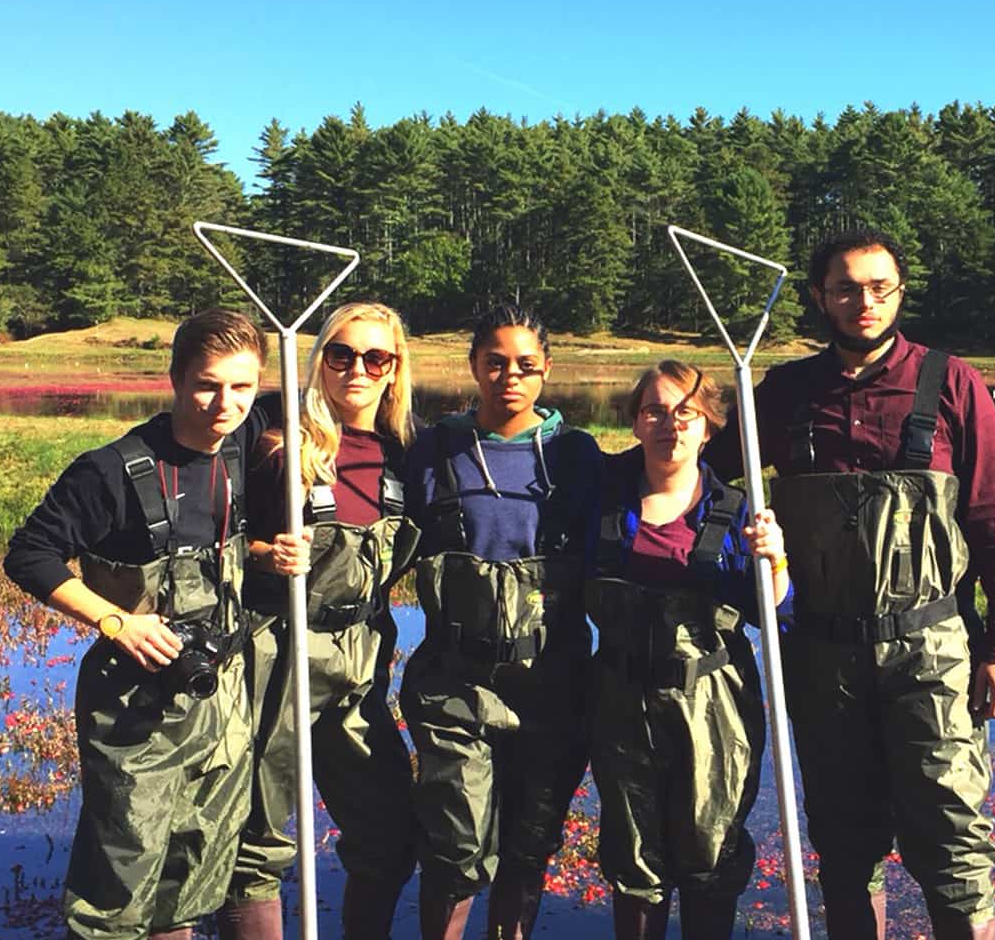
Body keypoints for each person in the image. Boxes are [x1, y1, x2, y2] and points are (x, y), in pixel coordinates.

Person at [705, 228, 995, 940]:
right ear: (821, 297)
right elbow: (702, 481)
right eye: (847, 287)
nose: (864, 301)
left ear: (899, 292)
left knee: (954, 843)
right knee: (845, 846)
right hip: (821, 658)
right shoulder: (785, 392)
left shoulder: (950, 381)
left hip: (932, 650)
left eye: (879, 286)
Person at [4, 309, 270, 940]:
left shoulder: (246, 438)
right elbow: (29, 554)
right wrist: (115, 621)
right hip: (133, 711)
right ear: (175, 378)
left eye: (241, 386)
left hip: (221, 700)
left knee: (193, 868)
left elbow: (342, 398)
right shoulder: (110, 471)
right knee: (120, 882)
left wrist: (270, 550)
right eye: (207, 384)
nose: (223, 403)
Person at [218, 303, 423, 939]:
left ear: (394, 371)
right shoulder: (273, 442)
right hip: (279, 656)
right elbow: (215, 538)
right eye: (341, 354)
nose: (357, 369)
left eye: (375, 357)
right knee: (256, 845)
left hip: (362, 667)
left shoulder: (405, 456)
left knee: (389, 835)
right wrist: (265, 552)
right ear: (319, 361)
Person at [400, 304, 604, 940]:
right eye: (495, 363)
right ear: (474, 367)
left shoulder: (577, 455)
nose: (509, 376)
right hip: (454, 679)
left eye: (525, 364)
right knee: (454, 850)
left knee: (529, 843)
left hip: (554, 679)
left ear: (546, 370)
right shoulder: (435, 449)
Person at [589, 361, 789, 940]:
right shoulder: (603, 505)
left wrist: (774, 558)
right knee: (633, 857)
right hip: (621, 704)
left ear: (708, 427)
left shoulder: (736, 513)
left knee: (711, 851)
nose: (669, 425)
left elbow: (774, 611)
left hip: (715, 709)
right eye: (654, 410)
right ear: (634, 421)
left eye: (686, 413)